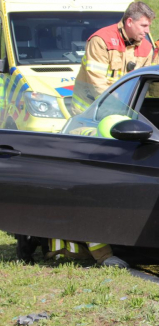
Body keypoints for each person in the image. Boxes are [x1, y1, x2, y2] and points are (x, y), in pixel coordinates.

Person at [49, 115, 131, 268]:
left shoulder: (100, 137)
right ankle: (63, 251)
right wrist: (106, 258)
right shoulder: (85, 154)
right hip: (64, 179)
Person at [71, 1, 155, 115]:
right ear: (129, 22)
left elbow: (141, 86)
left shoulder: (146, 48)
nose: (147, 31)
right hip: (89, 111)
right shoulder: (102, 40)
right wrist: (117, 108)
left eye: (149, 26)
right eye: (143, 25)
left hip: (120, 112)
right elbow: (97, 83)